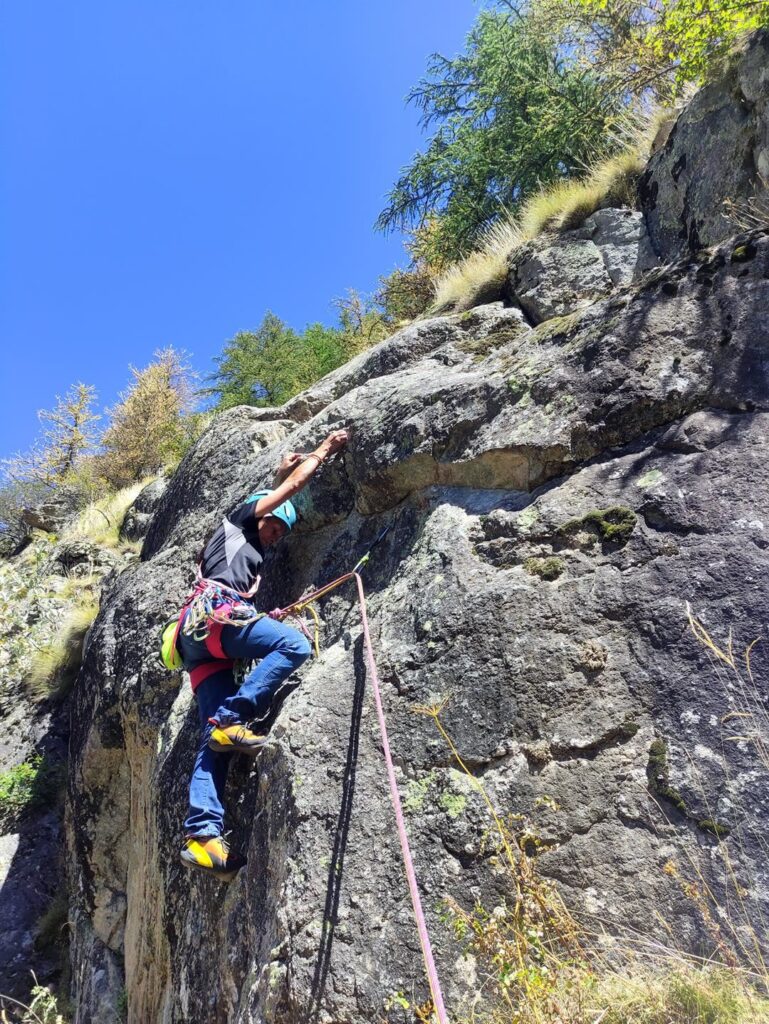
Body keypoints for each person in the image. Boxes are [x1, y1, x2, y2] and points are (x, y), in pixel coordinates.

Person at [177, 428, 349, 880]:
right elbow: (286, 491)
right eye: (276, 526)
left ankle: (204, 839)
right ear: (260, 515)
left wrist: (280, 471)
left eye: (281, 530)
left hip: (202, 644)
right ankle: (234, 717)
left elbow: (278, 486)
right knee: (294, 644)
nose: (277, 534)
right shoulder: (239, 522)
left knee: (213, 741)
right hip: (215, 618)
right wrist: (324, 451)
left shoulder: (238, 549)